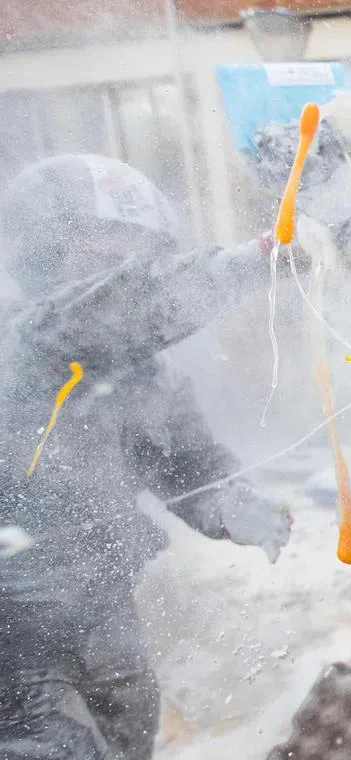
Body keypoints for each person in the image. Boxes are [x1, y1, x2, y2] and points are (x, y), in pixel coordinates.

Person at [0, 155, 293, 760]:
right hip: (13, 626)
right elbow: (120, 308)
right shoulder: (24, 340)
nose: (127, 268)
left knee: (127, 737)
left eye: (140, 253)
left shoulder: (144, 374)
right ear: (42, 254)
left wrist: (225, 502)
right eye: (103, 255)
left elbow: (187, 464)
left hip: (102, 609)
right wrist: (246, 264)